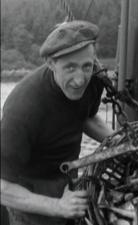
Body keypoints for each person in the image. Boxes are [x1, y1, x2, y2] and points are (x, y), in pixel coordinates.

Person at [0, 20, 114, 225]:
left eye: (86, 66)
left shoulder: (94, 80)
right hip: (30, 202)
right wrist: (57, 207)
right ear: (51, 63)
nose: (80, 80)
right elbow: (2, 187)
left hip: (69, 186)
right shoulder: (22, 108)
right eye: (70, 67)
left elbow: (86, 116)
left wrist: (120, 141)